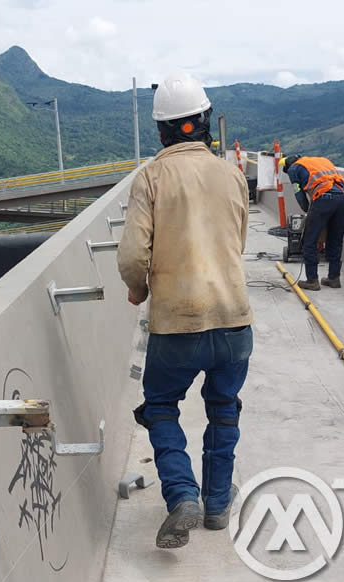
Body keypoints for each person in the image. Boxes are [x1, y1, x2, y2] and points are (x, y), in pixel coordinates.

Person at [117, 73, 253, 549]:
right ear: (204, 122)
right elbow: (237, 242)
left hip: (177, 323)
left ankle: (182, 497)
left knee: (159, 406)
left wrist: (137, 289)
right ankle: (217, 504)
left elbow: (134, 254)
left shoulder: (151, 176)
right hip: (235, 319)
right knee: (223, 409)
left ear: (161, 132)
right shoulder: (233, 174)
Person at [282, 154, 344, 290]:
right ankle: (334, 278)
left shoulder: (293, 169)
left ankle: (312, 280)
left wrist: (309, 211)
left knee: (309, 240)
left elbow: (299, 194)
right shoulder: (321, 160)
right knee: (336, 239)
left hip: (324, 198)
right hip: (343, 196)